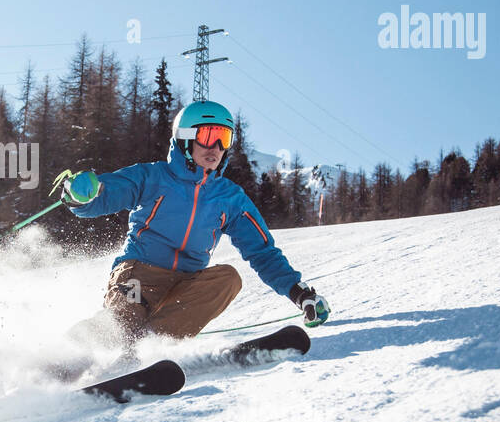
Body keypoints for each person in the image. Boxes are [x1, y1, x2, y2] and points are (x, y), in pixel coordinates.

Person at [54, 99, 329, 349]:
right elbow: (108, 194)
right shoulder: (153, 177)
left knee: (228, 279)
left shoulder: (230, 198)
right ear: (185, 139)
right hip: (139, 276)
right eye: (208, 136)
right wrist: (81, 195)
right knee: (121, 326)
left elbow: (262, 252)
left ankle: (147, 351)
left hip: (187, 286)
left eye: (224, 138)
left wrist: (300, 293)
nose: (216, 148)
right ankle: (61, 358)